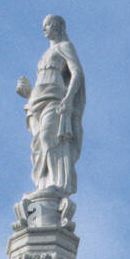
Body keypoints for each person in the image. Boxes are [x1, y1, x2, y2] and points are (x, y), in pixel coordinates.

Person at [16, 14, 86, 195]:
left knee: (50, 137)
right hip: (36, 102)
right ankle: (42, 184)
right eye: (43, 26)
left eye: (48, 25)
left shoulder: (65, 47)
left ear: (58, 27)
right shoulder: (44, 55)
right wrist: (28, 93)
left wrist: (69, 99)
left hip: (55, 99)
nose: (44, 29)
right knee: (39, 142)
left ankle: (57, 183)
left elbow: (76, 73)